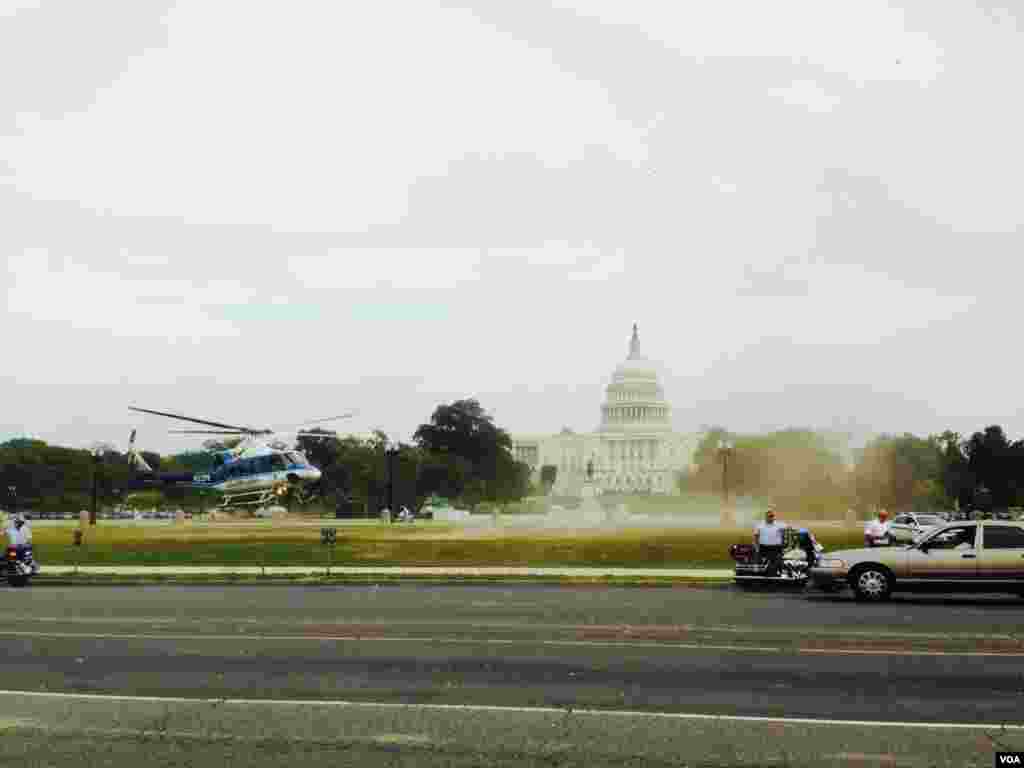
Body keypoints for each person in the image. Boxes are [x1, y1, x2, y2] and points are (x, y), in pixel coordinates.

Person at [754, 507, 786, 575]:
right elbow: (756, 537)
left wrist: (783, 546)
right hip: (763, 547)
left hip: (776, 548)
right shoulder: (759, 525)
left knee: (780, 560)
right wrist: (756, 547)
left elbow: (786, 533)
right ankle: (757, 570)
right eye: (769, 516)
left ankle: (781, 572)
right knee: (757, 556)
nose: (770, 517)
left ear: (774, 517)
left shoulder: (780, 525)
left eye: (772, 516)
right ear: (766, 516)